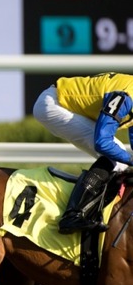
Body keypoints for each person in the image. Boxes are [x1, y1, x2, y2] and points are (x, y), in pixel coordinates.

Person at [33, 72, 133, 233]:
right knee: (118, 157)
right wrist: (130, 160)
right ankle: (74, 215)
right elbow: (102, 142)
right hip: (54, 104)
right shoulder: (124, 97)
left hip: (62, 103)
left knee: (119, 157)